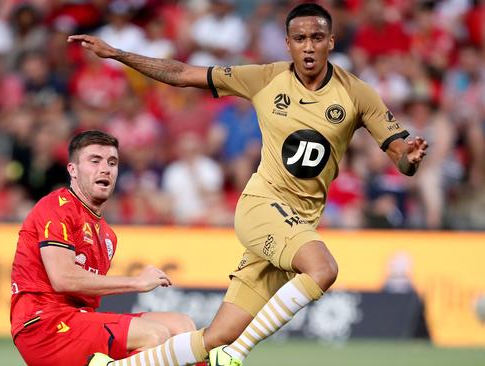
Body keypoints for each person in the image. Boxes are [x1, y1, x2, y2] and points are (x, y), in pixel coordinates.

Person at [69, 3, 428, 365]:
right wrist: (117, 54)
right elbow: (180, 72)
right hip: (261, 207)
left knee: (217, 334)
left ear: (331, 41)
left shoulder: (357, 93)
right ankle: (237, 355)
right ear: (287, 43)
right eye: (299, 38)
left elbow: (398, 151)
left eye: (317, 38)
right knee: (323, 269)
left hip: (299, 224)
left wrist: (408, 158)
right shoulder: (264, 78)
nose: (308, 46)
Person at [10, 130, 197, 366]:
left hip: (79, 321)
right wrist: (136, 282)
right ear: (73, 170)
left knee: (182, 327)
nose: (105, 169)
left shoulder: (107, 236)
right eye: (94, 161)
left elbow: (85, 294)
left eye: (112, 162)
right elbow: (63, 278)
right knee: (154, 335)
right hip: (42, 325)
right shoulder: (56, 207)